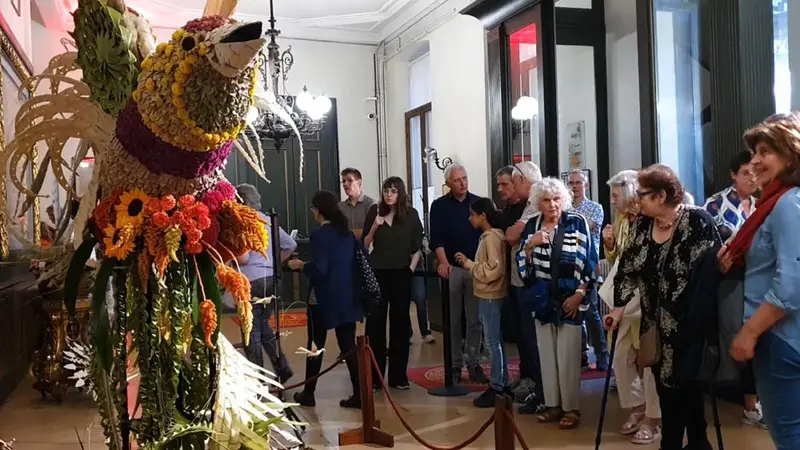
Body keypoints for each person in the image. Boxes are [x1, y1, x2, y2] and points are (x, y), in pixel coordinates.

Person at [605, 164, 721, 450]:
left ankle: (676, 443)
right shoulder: (643, 226)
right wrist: (618, 308)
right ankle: (696, 442)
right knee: (668, 388)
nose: (637, 199)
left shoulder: (698, 223)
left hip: (691, 327)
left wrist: (697, 322)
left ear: (661, 196)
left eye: (642, 194)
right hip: (655, 328)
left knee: (684, 388)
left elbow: (710, 277)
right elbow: (627, 270)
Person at [724, 113, 800, 450]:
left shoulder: (788, 203)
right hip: (783, 335)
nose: (755, 160)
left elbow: (792, 282)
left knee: (789, 436)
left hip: (780, 337)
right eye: (755, 152)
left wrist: (750, 332)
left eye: (765, 151)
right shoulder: (776, 203)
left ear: (791, 153)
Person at [517, 177, 597, 429]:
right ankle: (553, 405)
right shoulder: (532, 226)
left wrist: (580, 294)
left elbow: (591, 261)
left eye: (556, 199)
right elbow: (522, 265)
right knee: (547, 355)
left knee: (569, 355)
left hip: (571, 298)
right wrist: (530, 245)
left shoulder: (577, 222)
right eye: (546, 200)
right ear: (538, 203)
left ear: (564, 199)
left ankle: (571, 408)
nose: (552, 205)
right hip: (542, 300)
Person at [703, 149, 764, 429]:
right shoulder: (715, 204)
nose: (752, 178)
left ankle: (758, 397)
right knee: (734, 333)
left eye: (754, 172)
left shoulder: (761, 202)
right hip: (731, 277)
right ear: (733, 175)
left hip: (759, 276)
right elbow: (707, 246)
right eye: (745, 173)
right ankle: (747, 402)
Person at [601, 170, 662, 445]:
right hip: (624, 294)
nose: (613, 201)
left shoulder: (652, 219)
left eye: (616, 195)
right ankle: (637, 406)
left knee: (650, 358)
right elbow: (618, 260)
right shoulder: (623, 219)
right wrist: (610, 245)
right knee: (621, 354)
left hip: (648, 297)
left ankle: (654, 417)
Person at [288, 190, 364, 409]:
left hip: (322, 298)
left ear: (318, 211)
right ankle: (360, 394)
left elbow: (320, 270)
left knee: (315, 344)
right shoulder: (347, 233)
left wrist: (301, 265)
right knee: (348, 345)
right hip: (348, 296)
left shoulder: (319, 235)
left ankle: (309, 393)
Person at [363, 177, 424, 389]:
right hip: (378, 272)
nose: (389, 195)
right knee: (375, 324)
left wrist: (410, 269)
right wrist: (374, 228)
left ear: (400, 193)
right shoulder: (374, 211)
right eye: (386, 191)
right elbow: (365, 244)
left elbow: (417, 246)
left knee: (400, 323)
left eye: (393, 191)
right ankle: (376, 377)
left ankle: (398, 376)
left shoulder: (410, 215)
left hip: (401, 273)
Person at [430, 163, 487, 384]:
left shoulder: (478, 203)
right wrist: (444, 263)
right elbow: (437, 238)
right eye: (457, 180)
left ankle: (473, 362)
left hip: (474, 268)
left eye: (464, 178)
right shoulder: (439, 206)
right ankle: (454, 364)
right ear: (448, 184)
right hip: (452, 268)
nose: (462, 183)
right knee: (453, 320)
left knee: (475, 320)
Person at [235, 184, 297, 383]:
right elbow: (291, 244)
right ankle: (282, 366)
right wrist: (274, 260)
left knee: (250, 328)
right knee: (263, 325)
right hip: (270, 279)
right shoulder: (269, 220)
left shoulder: (244, 222)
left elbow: (243, 258)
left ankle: (258, 376)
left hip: (250, 279)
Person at [498, 162, 547, 411]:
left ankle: (541, 391)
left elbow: (511, 235)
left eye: (515, 183)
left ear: (526, 181)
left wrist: (515, 231)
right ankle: (531, 383)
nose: (514, 189)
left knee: (533, 338)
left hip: (534, 280)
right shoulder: (527, 204)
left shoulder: (537, 202)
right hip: (520, 278)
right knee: (524, 336)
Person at [455, 197, 509, 407]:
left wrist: (471, 266)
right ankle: (501, 382)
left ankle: (497, 386)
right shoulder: (489, 237)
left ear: (483, 216)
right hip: (488, 293)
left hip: (490, 294)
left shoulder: (491, 239)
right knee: (494, 340)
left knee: (492, 342)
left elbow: (494, 269)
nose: (470, 219)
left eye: (472, 215)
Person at [567, 169, 609, 372]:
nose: (574, 186)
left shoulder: (595, 208)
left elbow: (586, 227)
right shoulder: (565, 207)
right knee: (573, 309)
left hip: (588, 263)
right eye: (571, 183)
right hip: (569, 262)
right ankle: (582, 353)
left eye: (578, 182)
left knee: (591, 311)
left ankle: (602, 355)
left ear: (586, 185)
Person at [339, 167, 376, 239]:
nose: (345, 184)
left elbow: (373, 232)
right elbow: (337, 231)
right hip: (346, 248)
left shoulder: (371, 204)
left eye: (350, 180)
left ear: (359, 182)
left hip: (366, 248)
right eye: (343, 181)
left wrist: (346, 232)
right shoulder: (340, 207)